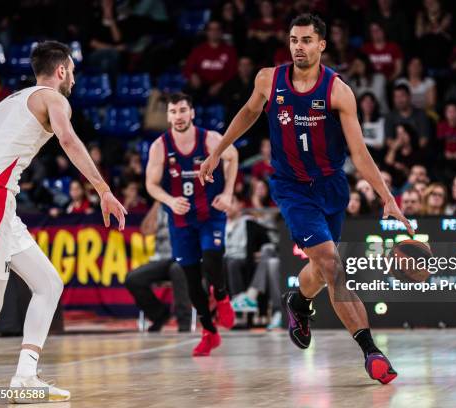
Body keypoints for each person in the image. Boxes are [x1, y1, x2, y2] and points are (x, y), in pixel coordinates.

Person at [199, 14, 413, 384]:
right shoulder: (269, 79)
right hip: (292, 188)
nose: (299, 46)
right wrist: (218, 151)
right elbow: (249, 112)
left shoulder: (337, 91)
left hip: (332, 187)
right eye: (294, 40)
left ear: (321, 45)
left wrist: (387, 197)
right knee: (332, 265)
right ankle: (371, 352)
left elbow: (359, 153)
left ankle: (298, 301)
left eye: (307, 40)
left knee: (320, 269)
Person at [0, 41, 127, 402]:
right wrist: (103, 189)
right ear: (61, 70)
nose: (73, 76)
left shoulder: (12, 99)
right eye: (71, 69)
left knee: (48, 284)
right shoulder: (54, 99)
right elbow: (69, 140)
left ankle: (25, 376)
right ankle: (24, 377)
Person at [145, 92, 239, 357]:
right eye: (173, 112)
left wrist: (229, 192)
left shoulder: (209, 138)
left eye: (183, 110)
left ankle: (221, 296)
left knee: (212, 257)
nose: (178, 116)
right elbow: (150, 184)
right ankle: (209, 332)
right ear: (168, 116)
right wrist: (169, 200)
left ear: (192, 113)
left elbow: (233, 157)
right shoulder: (160, 146)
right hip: (181, 219)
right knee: (191, 279)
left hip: (210, 213)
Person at [125, 202, 192, 332]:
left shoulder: (188, 202)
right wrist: (156, 202)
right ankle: (159, 315)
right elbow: (146, 230)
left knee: (177, 269)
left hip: (184, 257)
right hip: (161, 259)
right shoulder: (162, 206)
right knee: (133, 279)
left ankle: (184, 321)